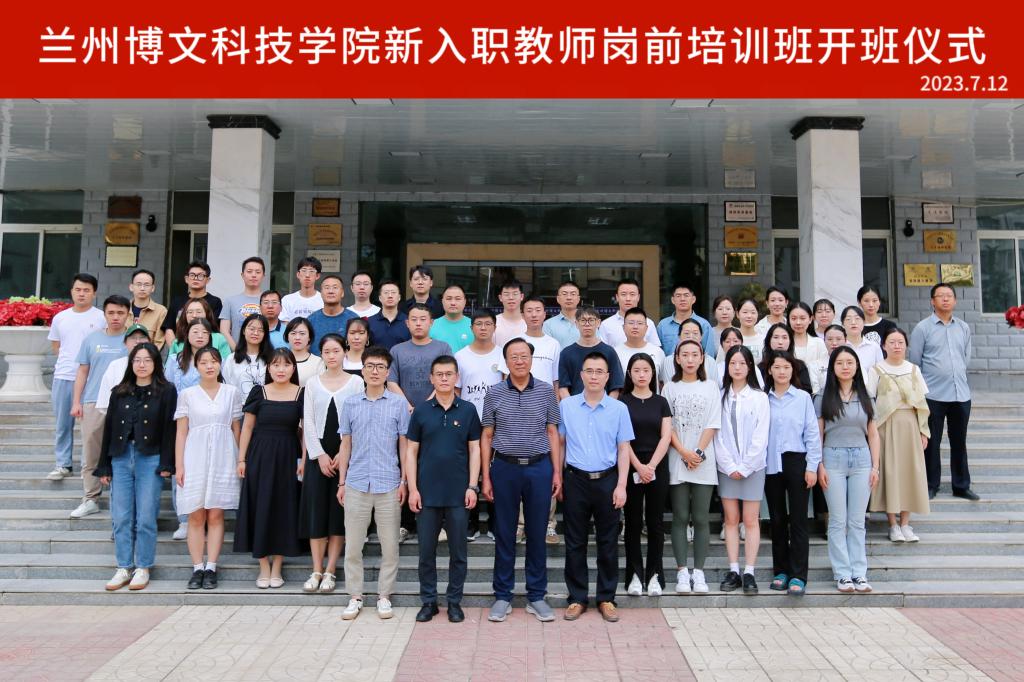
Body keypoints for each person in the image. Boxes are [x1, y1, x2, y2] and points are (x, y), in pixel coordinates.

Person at [481, 338, 561, 623]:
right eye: (513, 356)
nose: (519, 361)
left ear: (531, 359)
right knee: (505, 533)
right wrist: (485, 476)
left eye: (524, 356)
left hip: (539, 468)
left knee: (537, 533)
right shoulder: (494, 393)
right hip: (505, 468)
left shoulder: (545, 391)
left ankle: (536, 596)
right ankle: (502, 595)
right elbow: (487, 435)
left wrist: (556, 471)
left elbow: (552, 432)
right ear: (506, 361)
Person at [336, 346, 411, 621]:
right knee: (353, 546)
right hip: (356, 483)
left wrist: (404, 480)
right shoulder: (350, 403)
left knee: (389, 546)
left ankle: (384, 596)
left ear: (388, 372)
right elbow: (345, 444)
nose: (375, 371)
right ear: (363, 370)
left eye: (380, 367)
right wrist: (341, 482)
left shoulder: (398, 404)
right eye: (370, 366)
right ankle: (355, 596)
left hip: (389, 483)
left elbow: (404, 445)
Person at [407, 356, 482, 623]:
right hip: (427, 494)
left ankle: (454, 602)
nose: (444, 378)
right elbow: (411, 451)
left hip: (458, 494)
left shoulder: (468, 410)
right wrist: (412, 488)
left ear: (456, 377)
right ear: (431, 378)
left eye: (449, 374)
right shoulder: (421, 411)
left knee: (458, 553)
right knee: (426, 553)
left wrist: (473, 486)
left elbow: (475, 449)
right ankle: (429, 601)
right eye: (439, 374)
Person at [95, 342, 176, 592]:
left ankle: (143, 566)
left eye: (147, 360)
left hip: (149, 457)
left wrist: (167, 462)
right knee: (120, 517)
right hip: (120, 457)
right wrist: (104, 465)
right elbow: (109, 429)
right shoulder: (119, 391)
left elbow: (169, 429)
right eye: (137, 360)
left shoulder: (166, 391)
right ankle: (123, 566)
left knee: (146, 516)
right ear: (131, 363)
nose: (142, 365)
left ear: (156, 363)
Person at [559, 352, 632, 622]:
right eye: (589, 371)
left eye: (599, 372)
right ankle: (577, 598)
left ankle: (606, 598)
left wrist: (622, 485)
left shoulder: (619, 409)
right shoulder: (567, 406)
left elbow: (623, 449)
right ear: (581, 375)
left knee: (608, 541)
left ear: (607, 376)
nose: (593, 376)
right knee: (574, 542)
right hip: (575, 479)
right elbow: (561, 444)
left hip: (607, 480)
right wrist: (558, 478)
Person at [234, 348, 305, 586]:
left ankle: (278, 566)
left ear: (293, 368)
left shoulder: (301, 393)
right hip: (259, 456)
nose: (281, 369)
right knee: (260, 505)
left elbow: (306, 431)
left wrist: (304, 460)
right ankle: (263, 565)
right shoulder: (259, 392)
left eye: (286, 365)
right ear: (269, 368)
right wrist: (241, 459)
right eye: (276, 365)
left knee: (284, 508)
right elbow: (247, 427)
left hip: (288, 456)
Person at [300, 334, 365, 595]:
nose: (331, 356)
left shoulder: (356, 382)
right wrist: (319, 455)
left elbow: (360, 419)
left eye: (336, 351)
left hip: (345, 455)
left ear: (344, 352)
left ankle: (331, 569)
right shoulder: (312, 383)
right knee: (316, 512)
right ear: (322, 355)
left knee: (339, 514)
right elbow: (307, 422)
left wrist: (343, 453)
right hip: (318, 458)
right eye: (326, 351)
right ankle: (316, 569)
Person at [174, 346, 243, 590]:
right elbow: (181, 432)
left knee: (215, 513)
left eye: (213, 361)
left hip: (224, 455)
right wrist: (179, 465)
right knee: (195, 514)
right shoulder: (187, 394)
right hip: (194, 456)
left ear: (220, 364)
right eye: (203, 362)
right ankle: (197, 567)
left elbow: (236, 428)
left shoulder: (231, 392)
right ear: (196, 366)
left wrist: (240, 459)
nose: (209, 366)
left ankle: (211, 566)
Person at [817, 346, 881, 593]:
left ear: (856, 367)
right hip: (832, 459)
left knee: (857, 521)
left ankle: (859, 573)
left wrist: (875, 467)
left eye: (850, 362)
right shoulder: (822, 397)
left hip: (862, 461)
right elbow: (818, 435)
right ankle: (842, 574)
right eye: (840, 363)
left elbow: (873, 434)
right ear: (832, 367)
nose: (845, 367)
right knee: (837, 520)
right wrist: (819, 464)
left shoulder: (867, 397)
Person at [662, 339, 721, 594]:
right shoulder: (670, 388)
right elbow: (667, 426)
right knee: (680, 516)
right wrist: (684, 452)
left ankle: (699, 572)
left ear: (702, 358)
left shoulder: (711, 386)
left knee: (700, 517)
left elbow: (713, 422)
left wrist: (697, 452)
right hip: (677, 457)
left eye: (694, 354)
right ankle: (682, 572)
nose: (689, 359)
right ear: (677, 358)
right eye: (684, 354)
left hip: (703, 459)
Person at [909, 283, 977, 501]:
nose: (945, 299)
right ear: (932, 301)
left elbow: (965, 358)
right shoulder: (922, 328)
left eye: (949, 295)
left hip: (960, 394)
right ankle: (931, 484)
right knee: (932, 442)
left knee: (959, 441)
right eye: (941, 296)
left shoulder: (963, 327)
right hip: (932, 396)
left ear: (955, 300)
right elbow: (915, 362)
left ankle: (961, 485)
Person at [764, 351, 822, 597]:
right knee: (777, 519)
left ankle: (798, 575)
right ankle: (781, 571)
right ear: (770, 370)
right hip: (770, 462)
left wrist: (812, 466)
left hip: (797, 460)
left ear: (793, 370)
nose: (781, 372)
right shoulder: (762, 398)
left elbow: (812, 433)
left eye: (786, 367)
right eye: (777, 367)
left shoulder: (802, 398)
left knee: (798, 520)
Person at [68, 295, 132, 519]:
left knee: (122, 451)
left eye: (120, 313)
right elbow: (82, 372)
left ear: (128, 314)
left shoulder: (132, 339)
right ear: (104, 314)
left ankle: (121, 499)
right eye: (111, 313)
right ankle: (90, 498)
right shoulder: (92, 339)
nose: (115, 317)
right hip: (93, 401)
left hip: (125, 402)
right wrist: (77, 401)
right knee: (91, 452)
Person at [867, 328, 931, 542]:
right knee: (890, 472)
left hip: (910, 425)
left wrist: (923, 431)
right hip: (885, 426)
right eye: (892, 342)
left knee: (909, 472)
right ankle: (893, 524)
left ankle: (905, 523)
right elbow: (870, 400)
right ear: (884, 345)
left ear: (906, 345)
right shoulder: (876, 370)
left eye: (900, 342)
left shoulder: (913, 369)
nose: (896, 346)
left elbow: (921, 403)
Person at [715, 345, 769, 595]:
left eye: (742, 363)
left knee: (750, 520)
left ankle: (749, 571)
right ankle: (733, 569)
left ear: (750, 367)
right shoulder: (720, 396)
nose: (737, 368)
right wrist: (729, 465)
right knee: (730, 519)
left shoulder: (759, 397)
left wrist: (746, 466)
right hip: (726, 467)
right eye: (732, 363)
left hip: (753, 467)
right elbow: (717, 435)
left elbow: (761, 435)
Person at [619, 354, 672, 598]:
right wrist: (639, 466)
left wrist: (650, 466)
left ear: (653, 373)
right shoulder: (622, 402)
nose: (641, 374)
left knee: (655, 523)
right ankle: (634, 575)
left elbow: (666, 436)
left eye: (646, 370)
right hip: (630, 465)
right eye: (637, 370)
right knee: (632, 523)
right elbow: (622, 439)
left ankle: (654, 575)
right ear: (629, 374)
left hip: (656, 466)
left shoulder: (661, 402)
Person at [47, 273, 105, 482]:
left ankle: (90, 466)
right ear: (71, 291)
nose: (82, 294)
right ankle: (63, 464)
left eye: (86, 290)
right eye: (78, 289)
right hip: (64, 376)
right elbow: (57, 347)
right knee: (63, 423)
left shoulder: (101, 317)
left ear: (94, 293)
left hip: (92, 379)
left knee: (92, 426)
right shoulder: (60, 317)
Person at [455, 310, 504, 541]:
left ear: (494, 327)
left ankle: (496, 522)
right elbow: (456, 390)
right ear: (471, 327)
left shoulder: (502, 354)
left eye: (488, 324)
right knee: (469, 471)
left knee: (495, 471)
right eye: (478, 324)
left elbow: (506, 385)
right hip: (468, 420)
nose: (483, 328)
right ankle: (471, 523)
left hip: (497, 421)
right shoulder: (460, 356)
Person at [164, 318, 214, 540]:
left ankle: (206, 517)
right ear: (186, 334)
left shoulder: (215, 360)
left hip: (208, 422)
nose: (200, 336)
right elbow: (167, 388)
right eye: (195, 331)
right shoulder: (175, 360)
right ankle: (184, 519)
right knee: (182, 469)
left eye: (204, 332)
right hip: (182, 422)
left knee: (207, 470)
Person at [388, 304, 453, 412]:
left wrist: (426, 407)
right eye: (414, 320)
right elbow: (391, 382)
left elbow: (449, 379)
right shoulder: (396, 350)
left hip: (437, 410)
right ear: (407, 323)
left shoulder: (443, 348)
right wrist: (407, 407)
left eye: (423, 319)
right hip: (404, 411)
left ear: (431, 322)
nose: (418, 323)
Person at [558, 307, 624, 399]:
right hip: (575, 405)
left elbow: (615, 387)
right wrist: (571, 406)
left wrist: (608, 406)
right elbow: (563, 387)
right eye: (583, 320)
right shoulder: (566, 353)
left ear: (598, 323)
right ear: (576, 323)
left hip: (604, 405)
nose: (587, 324)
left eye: (591, 320)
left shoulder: (609, 352)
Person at [502, 296, 561, 392]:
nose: (534, 315)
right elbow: (506, 375)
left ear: (544, 314)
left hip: (545, 398)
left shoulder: (553, 344)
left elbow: (556, 380)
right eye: (529, 311)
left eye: (538, 310)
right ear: (523, 315)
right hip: (517, 397)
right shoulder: (512, 342)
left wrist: (556, 400)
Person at [161, 260, 223, 349]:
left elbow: (214, 329)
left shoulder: (215, 302)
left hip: (205, 350)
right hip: (180, 349)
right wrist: (176, 350)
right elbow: (169, 328)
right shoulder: (177, 301)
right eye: (192, 275)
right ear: (186, 279)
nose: (196, 278)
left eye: (200, 276)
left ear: (208, 280)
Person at [96, 324, 152, 415]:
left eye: (142, 337)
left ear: (149, 342)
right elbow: (105, 401)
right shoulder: (115, 365)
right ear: (125, 343)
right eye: (133, 338)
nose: (138, 341)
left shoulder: (156, 365)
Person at [220, 256, 266, 350]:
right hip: (236, 353)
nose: (253, 275)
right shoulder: (230, 301)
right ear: (242, 275)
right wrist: (237, 351)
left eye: (258, 272)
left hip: (263, 353)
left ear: (263, 276)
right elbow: (224, 330)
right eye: (249, 271)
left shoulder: (269, 302)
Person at [222, 314, 274, 397]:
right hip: (238, 404)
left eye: (260, 330)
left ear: (265, 334)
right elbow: (225, 387)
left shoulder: (272, 358)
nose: (255, 333)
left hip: (266, 404)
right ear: (243, 331)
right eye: (252, 329)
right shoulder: (232, 358)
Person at [598, 278, 659, 348]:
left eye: (632, 294)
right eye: (623, 294)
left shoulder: (649, 323)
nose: (628, 299)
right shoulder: (606, 325)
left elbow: (655, 350)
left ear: (638, 297)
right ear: (617, 297)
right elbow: (601, 352)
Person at [615, 307, 667, 387]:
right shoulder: (615, 352)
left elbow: (662, 382)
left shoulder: (658, 352)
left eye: (640, 323)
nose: (635, 327)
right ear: (623, 327)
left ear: (646, 328)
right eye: (631, 323)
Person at [168, 298, 232, 362]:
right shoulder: (177, 342)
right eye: (190, 312)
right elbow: (170, 365)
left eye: (199, 312)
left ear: (207, 314)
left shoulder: (219, 339)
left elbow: (227, 364)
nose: (194, 315)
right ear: (185, 315)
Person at [657, 284, 712, 357]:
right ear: (673, 300)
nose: (682, 299)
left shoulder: (704, 325)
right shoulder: (663, 325)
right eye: (678, 296)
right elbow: (658, 354)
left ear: (693, 299)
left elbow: (709, 355)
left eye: (686, 295)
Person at [307, 276, 358, 354]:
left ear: (342, 293)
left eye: (335, 287)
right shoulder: (311, 320)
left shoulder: (353, 319)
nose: (331, 291)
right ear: (321, 293)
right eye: (327, 288)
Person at [759, 323, 814, 394]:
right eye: (776, 337)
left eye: (784, 338)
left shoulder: (799, 366)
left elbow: (807, 392)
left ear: (790, 341)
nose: (780, 342)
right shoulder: (761, 368)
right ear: (769, 340)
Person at [662, 318, 718, 387]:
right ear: (679, 336)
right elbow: (668, 387)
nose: (691, 336)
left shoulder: (710, 361)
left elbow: (713, 387)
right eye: (686, 333)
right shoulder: (668, 361)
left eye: (695, 333)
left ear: (701, 337)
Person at [789, 302, 828, 393]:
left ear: (810, 319)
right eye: (793, 318)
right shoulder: (785, 343)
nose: (798, 322)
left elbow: (823, 370)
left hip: (817, 391)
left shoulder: (819, 343)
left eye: (802, 318)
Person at [128, 269, 167, 348]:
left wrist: (145, 354)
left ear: (152, 288)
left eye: (146, 285)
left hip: (149, 355)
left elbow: (159, 342)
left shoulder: (161, 311)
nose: (142, 288)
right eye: (138, 284)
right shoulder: (122, 309)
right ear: (131, 287)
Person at [429, 284, 473, 353]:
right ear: (442, 301)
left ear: (465, 302)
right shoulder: (431, 325)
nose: (453, 303)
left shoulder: (474, 326)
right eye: (449, 299)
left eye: (457, 299)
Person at [368, 279, 412, 349]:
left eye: (393, 292)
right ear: (380, 298)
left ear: (399, 297)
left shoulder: (409, 322)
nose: (390, 296)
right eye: (386, 293)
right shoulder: (369, 322)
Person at [841, 306, 884, 373]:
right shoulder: (840, 346)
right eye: (848, 319)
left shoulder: (874, 347)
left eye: (857, 318)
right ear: (842, 324)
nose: (853, 322)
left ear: (864, 322)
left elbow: (881, 372)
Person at [280, 256, 324, 322]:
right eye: (304, 271)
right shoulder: (287, 300)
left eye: (311, 271)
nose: (307, 275)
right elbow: (284, 324)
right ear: (298, 274)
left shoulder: (323, 300)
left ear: (317, 276)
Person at [284, 317, 325, 386]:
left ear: (309, 337)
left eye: (302, 333)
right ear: (287, 336)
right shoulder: (278, 360)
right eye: (293, 333)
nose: (297, 337)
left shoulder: (318, 362)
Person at [543, 280, 582, 349]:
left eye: (573, 294)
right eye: (564, 294)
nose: (569, 298)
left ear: (578, 299)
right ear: (558, 299)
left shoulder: (588, 322)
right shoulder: (548, 325)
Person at [493, 279, 527, 349]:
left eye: (515, 294)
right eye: (506, 294)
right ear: (500, 297)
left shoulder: (529, 322)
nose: (511, 298)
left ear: (522, 296)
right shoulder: (493, 322)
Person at [736, 298, 764, 364]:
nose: (749, 316)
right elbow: (720, 365)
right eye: (745, 312)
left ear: (757, 314)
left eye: (753, 312)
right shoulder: (730, 338)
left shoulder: (764, 340)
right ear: (737, 314)